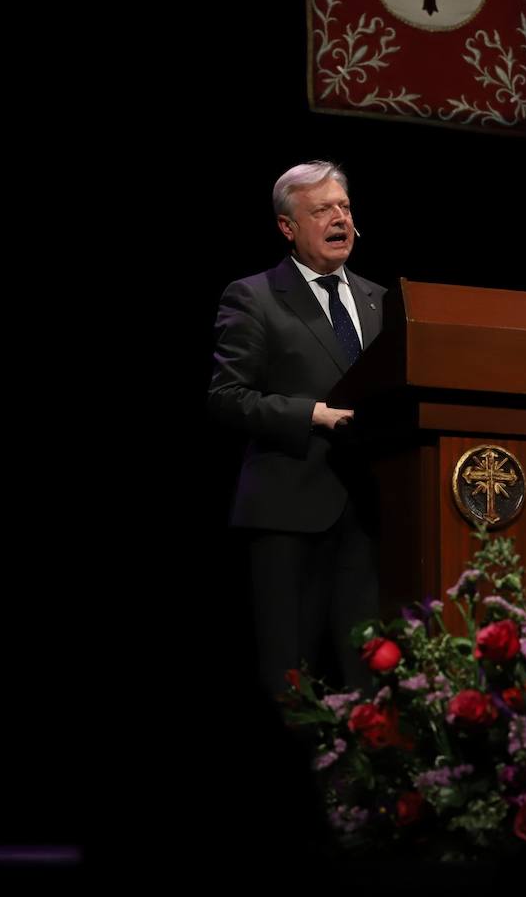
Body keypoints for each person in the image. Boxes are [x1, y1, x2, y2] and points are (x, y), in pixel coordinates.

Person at [208, 160, 386, 697]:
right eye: (322, 210)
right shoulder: (254, 297)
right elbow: (226, 398)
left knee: (370, 675)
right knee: (291, 679)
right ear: (288, 227)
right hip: (289, 514)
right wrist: (312, 413)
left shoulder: (384, 300)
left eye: (345, 207)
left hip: (371, 517)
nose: (340, 219)